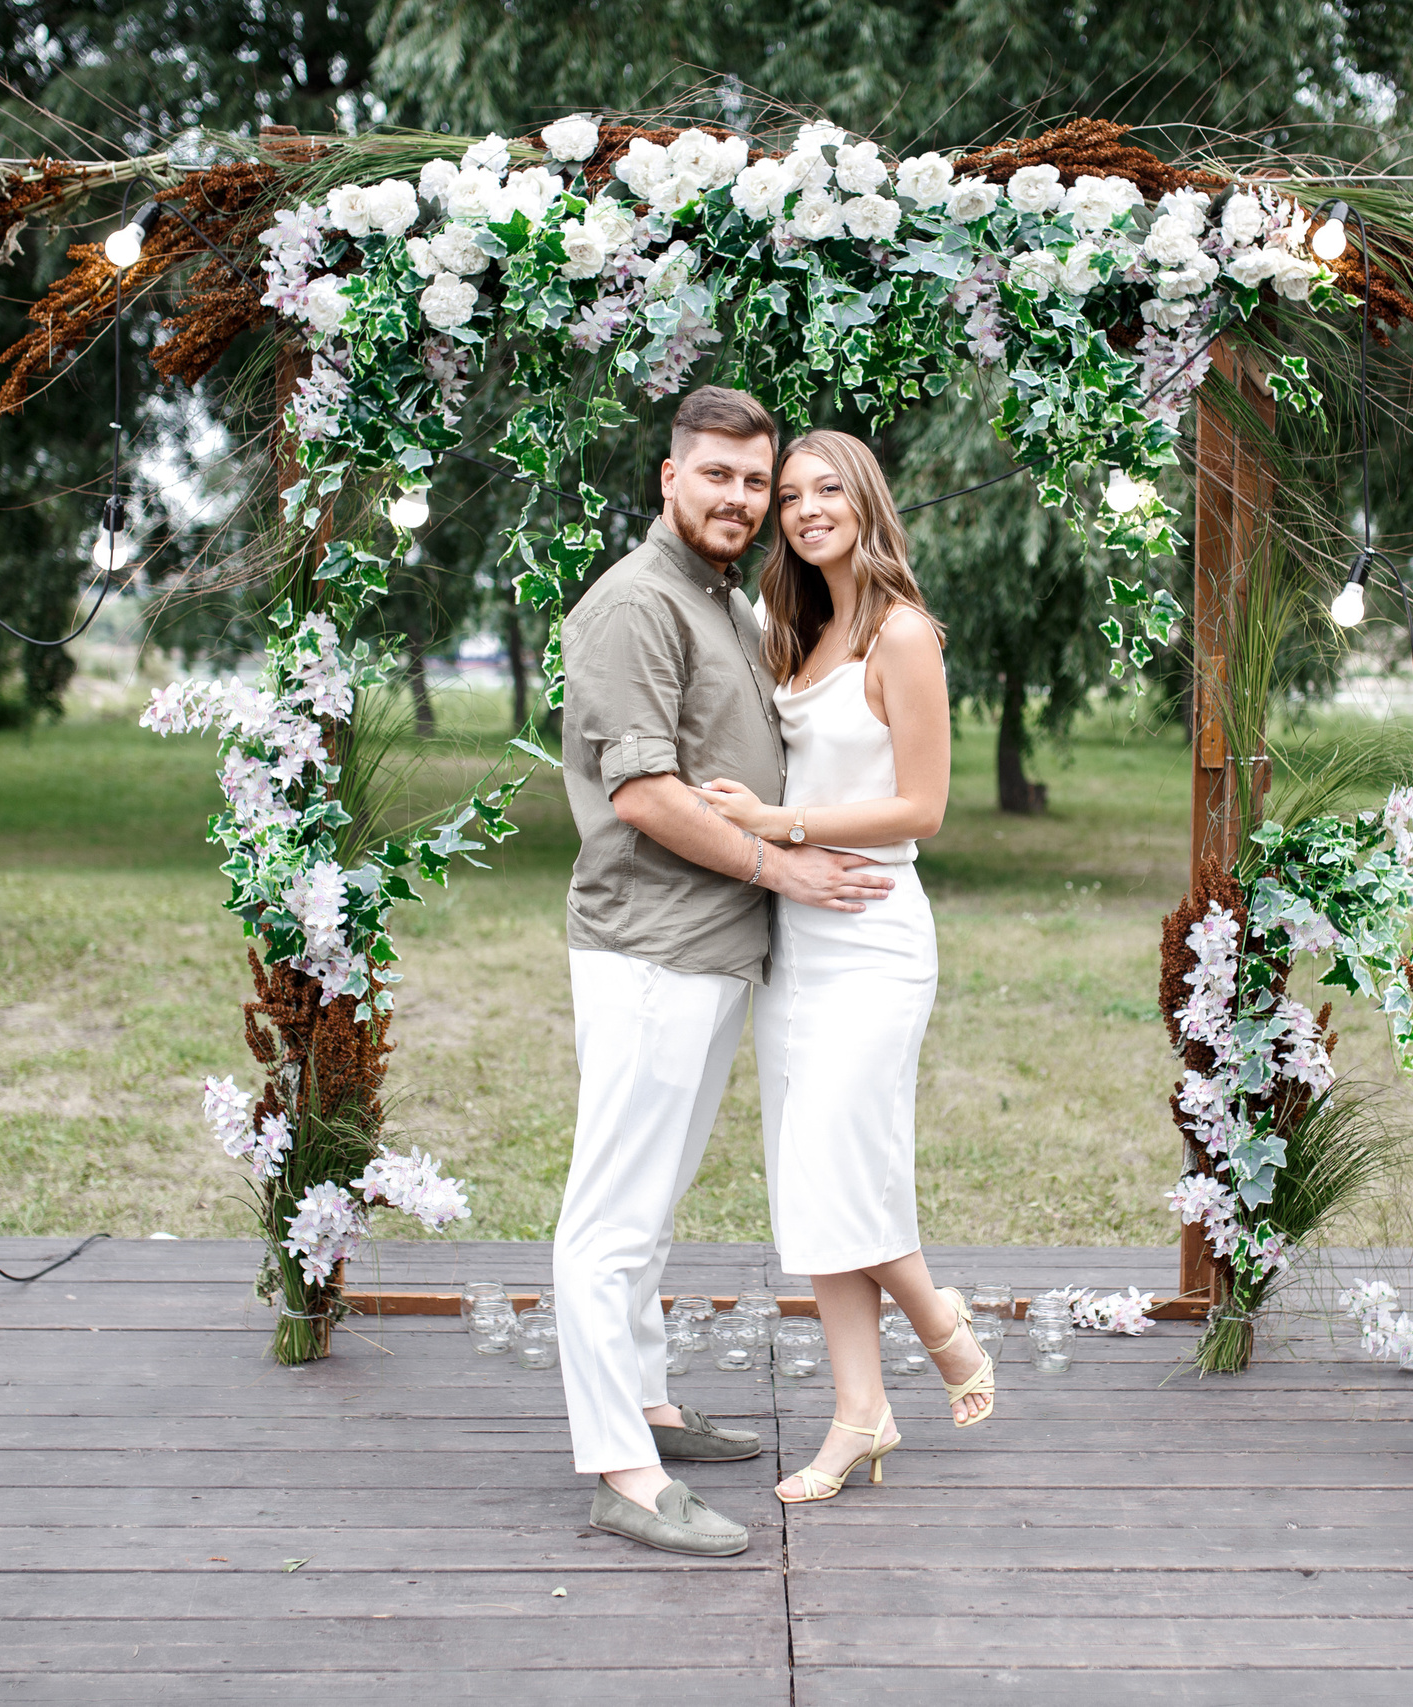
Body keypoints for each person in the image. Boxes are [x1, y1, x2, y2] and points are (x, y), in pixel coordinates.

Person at [553, 386, 898, 1558]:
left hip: (712, 951)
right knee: (610, 1218)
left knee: (648, 1214)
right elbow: (642, 796)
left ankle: (647, 1402)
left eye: (755, 482)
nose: (741, 500)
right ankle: (621, 1470)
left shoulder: (719, 601)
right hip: (651, 945)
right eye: (718, 476)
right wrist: (781, 866)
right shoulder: (631, 606)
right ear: (668, 477)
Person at [692, 429, 997, 1507]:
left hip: (872, 934)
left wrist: (787, 823)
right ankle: (861, 1412)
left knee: (838, 1160)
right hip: (796, 943)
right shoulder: (795, 632)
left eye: (828, 488)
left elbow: (924, 806)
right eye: (789, 495)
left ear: (865, 500)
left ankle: (942, 1329)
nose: (805, 507)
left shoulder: (903, 635)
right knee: (810, 1178)